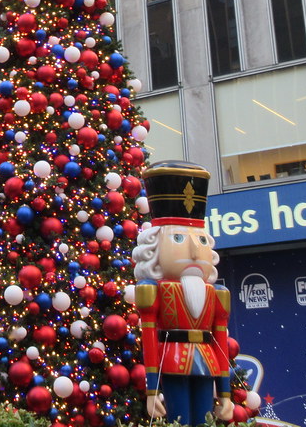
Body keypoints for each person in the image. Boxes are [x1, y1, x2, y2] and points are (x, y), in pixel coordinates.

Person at [131, 161, 234, 426]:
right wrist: (152, 390)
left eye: (200, 241)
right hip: (172, 358)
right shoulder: (152, 290)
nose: (194, 252)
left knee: (203, 418)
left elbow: (220, 340)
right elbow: (149, 338)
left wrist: (225, 394)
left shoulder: (217, 293)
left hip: (207, 362)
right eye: (178, 239)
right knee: (179, 419)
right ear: (153, 248)